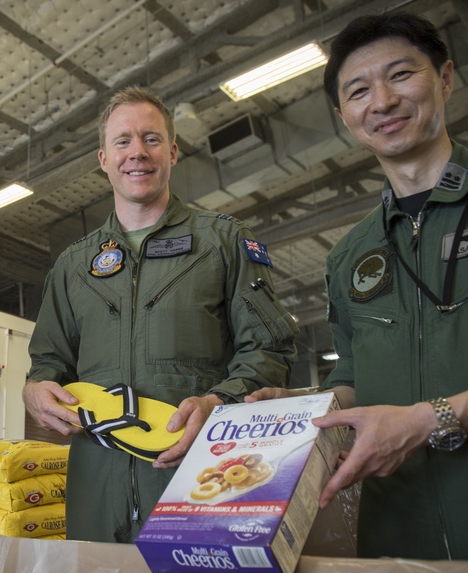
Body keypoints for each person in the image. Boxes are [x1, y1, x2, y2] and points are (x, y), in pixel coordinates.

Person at [248, 12, 468, 563]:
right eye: (359, 90)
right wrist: (300, 407)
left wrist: (428, 418)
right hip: (401, 541)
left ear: (445, 78)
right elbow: (355, 380)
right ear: (345, 116)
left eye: (401, 75)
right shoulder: (350, 257)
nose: (383, 101)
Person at [23, 86, 298, 543]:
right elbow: (48, 364)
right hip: (96, 489)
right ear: (103, 158)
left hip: (200, 480)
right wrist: (34, 390)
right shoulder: (72, 266)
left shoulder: (224, 242)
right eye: (123, 142)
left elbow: (268, 348)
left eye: (151, 139)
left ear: (172, 151)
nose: (137, 153)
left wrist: (219, 402)